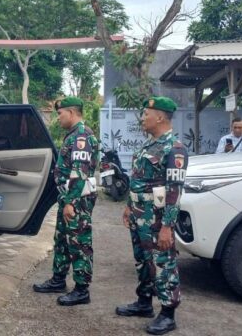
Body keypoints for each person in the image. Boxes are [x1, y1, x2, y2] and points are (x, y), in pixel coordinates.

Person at [115, 96, 188, 335]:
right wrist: (129, 206)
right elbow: (138, 181)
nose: (142, 118)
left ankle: (168, 313)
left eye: (146, 114)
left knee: (163, 263)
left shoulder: (174, 148)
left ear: (160, 117)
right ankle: (144, 302)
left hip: (157, 220)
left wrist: (168, 226)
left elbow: (174, 192)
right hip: (139, 215)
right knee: (143, 260)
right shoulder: (148, 145)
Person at [32, 97, 98, 306]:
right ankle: (58, 280)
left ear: (71, 112)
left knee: (79, 243)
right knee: (62, 240)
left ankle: (81, 290)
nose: (58, 118)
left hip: (76, 200)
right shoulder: (72, 136)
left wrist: (70, 202)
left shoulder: (82, 137)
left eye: (60, 114)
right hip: (68, 199)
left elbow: (80, 172)